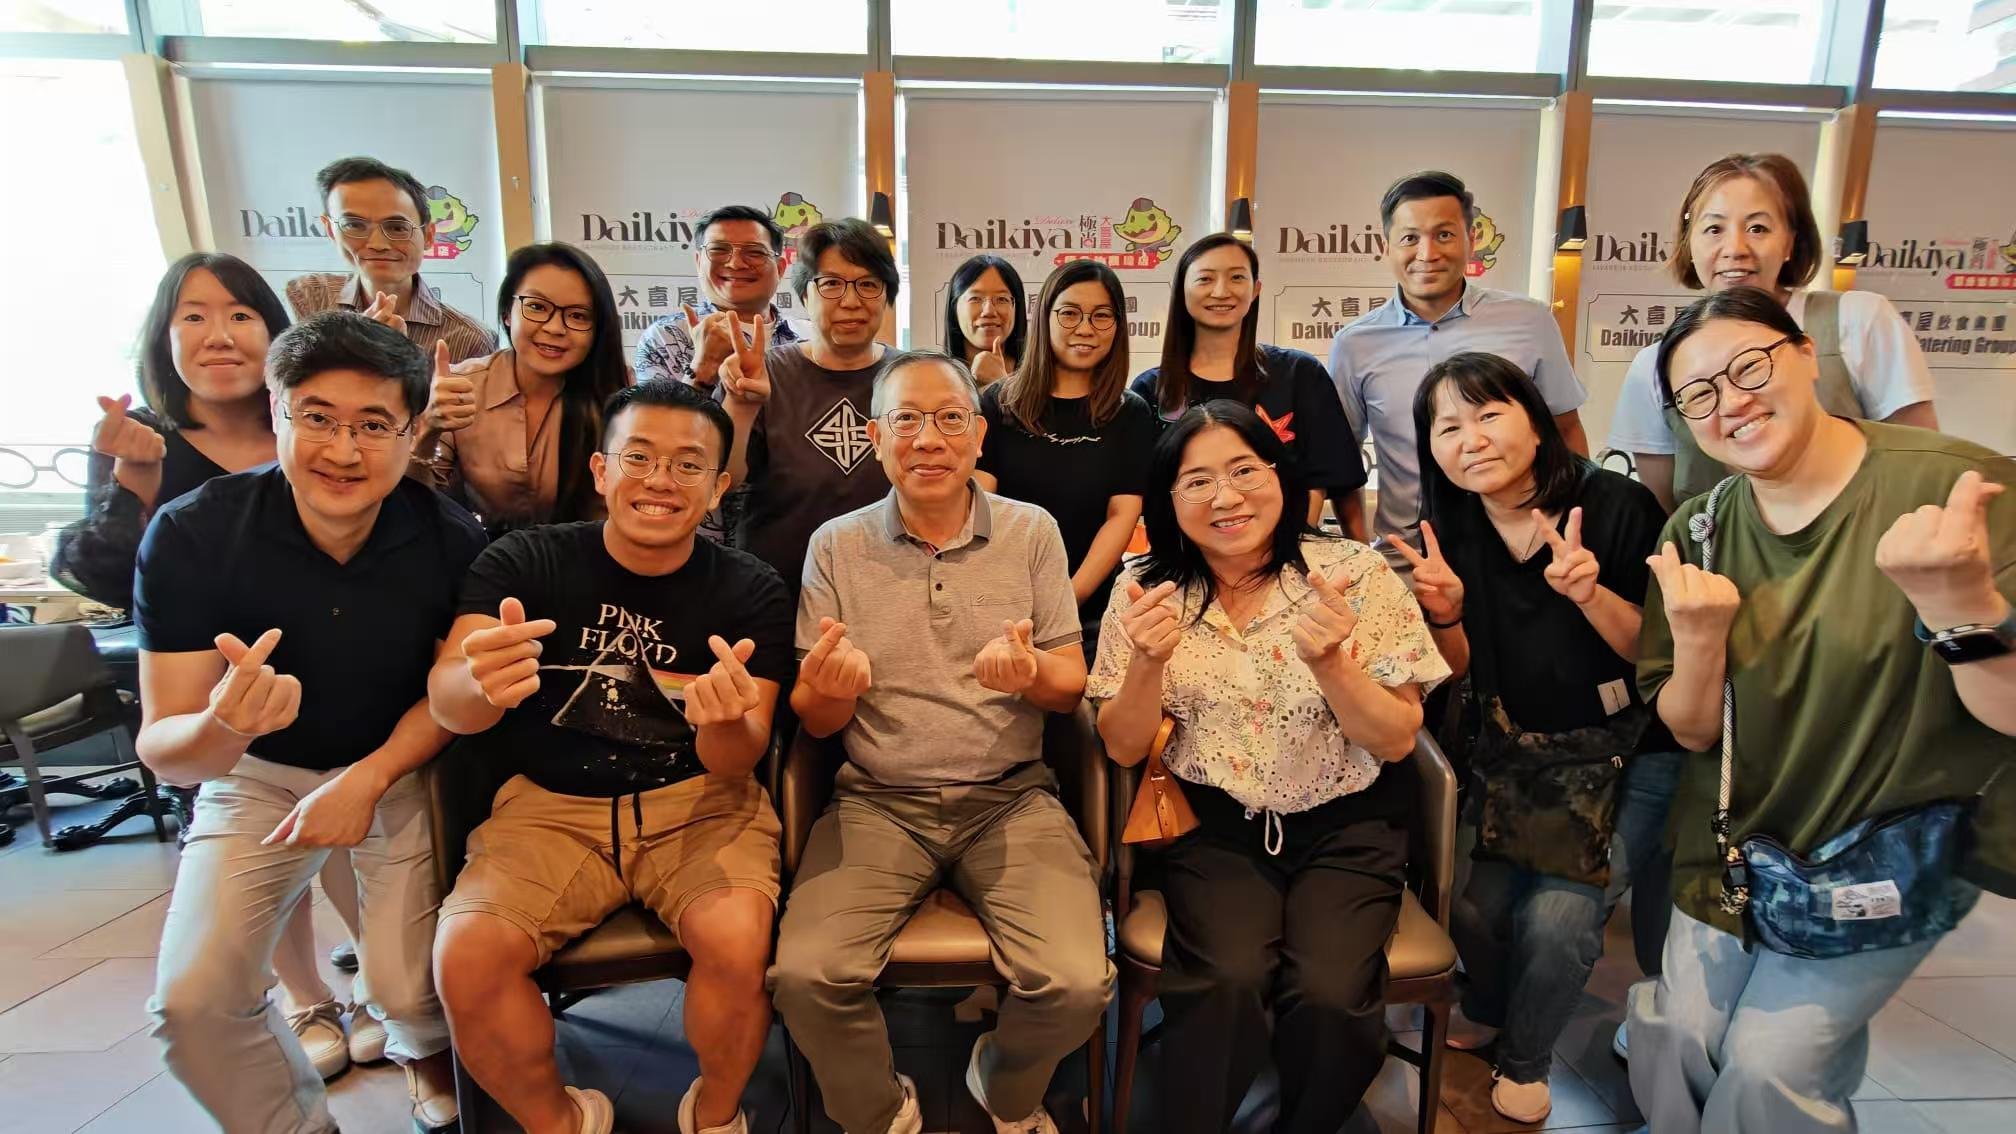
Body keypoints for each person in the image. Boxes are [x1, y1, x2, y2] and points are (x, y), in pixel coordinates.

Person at [1627, 287, 2015, 1134]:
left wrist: (1960, 610)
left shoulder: (1953, 491)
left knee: (1771, 1073)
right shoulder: (1696, 531)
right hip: (1732, 849)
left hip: (1880, 855)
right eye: (1699, 395)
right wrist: (1699, 639)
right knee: (1676, 1036)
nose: (1729, 402)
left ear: (1806, 353)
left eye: (1748, 367)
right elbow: (1691, 729)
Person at [137, 311, 484, 1134]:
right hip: (252, 775)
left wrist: (366, 779)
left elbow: (445, 700)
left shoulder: (449, 538)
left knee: (409, 984)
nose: (343, 451)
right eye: (317, 418)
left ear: (412, 432)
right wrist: (224, 727)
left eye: (373, 426)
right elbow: (165, 750)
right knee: (193, 1003)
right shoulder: (192, 535)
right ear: (276, 410)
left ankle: (423, 1056)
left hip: (399, 767)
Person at [51, 253, 390, 1082]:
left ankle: (382, 989)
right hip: (218, 698)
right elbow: (96, 573)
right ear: (163, 337)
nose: (219, 335)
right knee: (261, 849)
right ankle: (307, 996)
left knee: (351, 836)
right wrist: (133, 477)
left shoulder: (335, 428)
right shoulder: (148, 442)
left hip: (346, 680)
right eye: (193, 317)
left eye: (239, 314)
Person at [429, 379, 790, 1134]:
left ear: (720, 486)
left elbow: (739, 757)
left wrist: (724, 722)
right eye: (640, 457)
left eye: (689, 465)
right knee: (466, 956)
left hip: (700, 802)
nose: (661, 481)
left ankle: (717, 1114)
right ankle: (556, 1119)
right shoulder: (523, 563)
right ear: (601, 471)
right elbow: (448, 701)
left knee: (737, 939)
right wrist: (481, 682)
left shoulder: (750, 588)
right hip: (547, 810)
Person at [771, 351, 1113, 1134]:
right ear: (874, 437)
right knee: (806, 976)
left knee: (1075, 983)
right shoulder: (836, 545)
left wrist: (1029, 673)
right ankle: (880, 1111)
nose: (929, 438)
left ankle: (1002, 1082)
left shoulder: (1033, 533)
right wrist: (830, 689)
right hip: (878, 801)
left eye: (949, 418)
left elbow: (1069, 686)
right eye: (907, 420)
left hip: (1011, 797)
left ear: (978, 436)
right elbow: (815, 722)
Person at [1089, 400, 1449, 1134]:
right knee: (1224, 977)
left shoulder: (1351, 574)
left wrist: (1332, 665)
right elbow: (1124, 747)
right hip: (1215, 826)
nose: (1225, 497)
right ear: (1168, 499)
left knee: (1328, 991)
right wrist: (1148, 663)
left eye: (1244, 470)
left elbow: (1396, 738)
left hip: (1346, 826)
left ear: (1280, 477)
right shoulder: (1145, 587)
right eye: (1197, 481)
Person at [1395, 351, 1670, 1123]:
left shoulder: (1611, 505)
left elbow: (1656, 652)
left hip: (1630, 753)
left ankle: (1525, 1059)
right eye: (1448, 427)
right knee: (1476, 910)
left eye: (1488, 414)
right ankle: (1484, 1006)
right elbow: (1456, 670)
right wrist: (1445, 614)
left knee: (1558, 919)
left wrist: (1588, 594)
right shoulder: (1447, 525)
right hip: (1516, 754)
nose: (1471, 439)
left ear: (1535, 421)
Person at [1606, 153, 1938, 513]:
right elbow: (1664, 510)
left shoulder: (1858, 320)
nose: (1735, 249)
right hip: (1717, 563)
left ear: (1790, 242)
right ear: (1689, 243)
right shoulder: (1654, 365)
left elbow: (1920, 461)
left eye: (1758, 228)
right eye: (1714, 229)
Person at [1328, 170, 1588, 558]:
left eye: (1444, 235)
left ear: (1471, 240)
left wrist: (1574, 525)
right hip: (1408, 557)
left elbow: (1566, 431)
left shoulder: (1529, 321)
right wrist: (1357, 549)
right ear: (1386, 248)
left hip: (1522, 550)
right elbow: (1342, 462)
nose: (1427, 254)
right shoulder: (1355, 344)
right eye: (1410, 238)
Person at [976, 259, 1157, 640]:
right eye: (1070, 313)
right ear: (1045, 317)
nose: (1086, 329)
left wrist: (1066, 601)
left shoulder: (1131, 413)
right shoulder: (998, 404)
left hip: (1090, 613)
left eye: (1101, 316)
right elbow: (979, 506)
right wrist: (1009, 601)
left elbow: (1120, 516)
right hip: (998, 605)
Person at [1133, 233, 1364, 530]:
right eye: (1205, 279)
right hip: (1187, 564)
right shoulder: (1150, 390)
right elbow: (1138, 499)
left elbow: (1336, 480)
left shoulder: (1299, 374)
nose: (1221, 291)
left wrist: (1364, 560)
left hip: (1289, 560)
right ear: (1182, 290)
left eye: (1237, 278)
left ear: (1255, 290)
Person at [718, 217, 899, 593]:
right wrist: (739, 405)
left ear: (887, 296)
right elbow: (722, 480)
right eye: (831, 284)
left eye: (868, 284)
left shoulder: (910, 378)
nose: (851, 301)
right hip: (779, 590)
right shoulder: (763, 372)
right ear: (805, 295)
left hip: (890, 592)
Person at [412, 242, 631, 533]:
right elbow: (414, 504)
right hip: (481, 559)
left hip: (582, 557)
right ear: (507, 312)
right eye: (537, 307)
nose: (555, 328)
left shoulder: (615, 391)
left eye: (578, 315)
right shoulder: (463, 385)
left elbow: (620, 506)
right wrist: (428, 428)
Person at [285, 155, 496, 364]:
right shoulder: (309, 297)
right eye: (354, 225)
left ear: (429, 235)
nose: (378, 244)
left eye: (397, 228)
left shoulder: (469, 339)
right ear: (331, 229)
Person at [633, 204, 810, 387]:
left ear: (780, 269)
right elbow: (657, 415)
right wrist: (703, 366)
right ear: (699, 261)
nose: (735, 264)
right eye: (719, 250)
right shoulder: (667, 338)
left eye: (755, 252)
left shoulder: (810, 336)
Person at [943, 253, 1027, 384]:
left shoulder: (1043, 376)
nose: (989, 311)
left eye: (1001, 299)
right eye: (975, 299)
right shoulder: (936, 376)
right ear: (954, 308)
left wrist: (1000, 383)